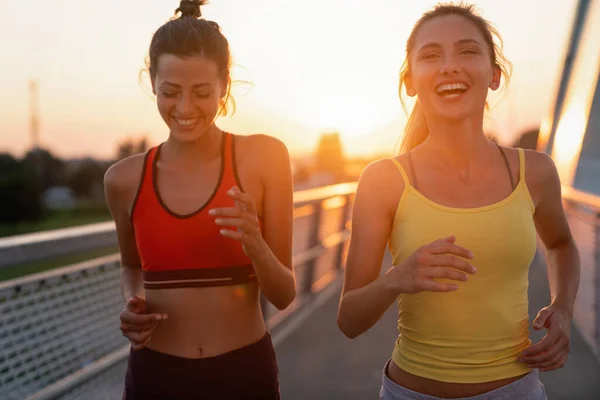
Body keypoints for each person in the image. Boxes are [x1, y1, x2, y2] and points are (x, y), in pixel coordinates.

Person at [337, 3, 580, 399]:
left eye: (467, 51)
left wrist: (564, 309)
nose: (449, 66)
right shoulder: (383, 180)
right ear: (411, 80)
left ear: (495, 75)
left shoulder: (535, 171)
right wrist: (398, 278)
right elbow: (349, 319)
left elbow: (561, 244)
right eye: (431, 55)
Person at [103, 1, 295, 398]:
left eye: (202, 92)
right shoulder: (123, 179)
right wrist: (133, 301)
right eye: (170, 92)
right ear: (152, 82)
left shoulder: (265, 158)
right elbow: (131, 267)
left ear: (225, 85)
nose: (185, 108)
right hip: (154, 376)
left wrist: (255, 244)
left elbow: (284, 292)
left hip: (244, 374)